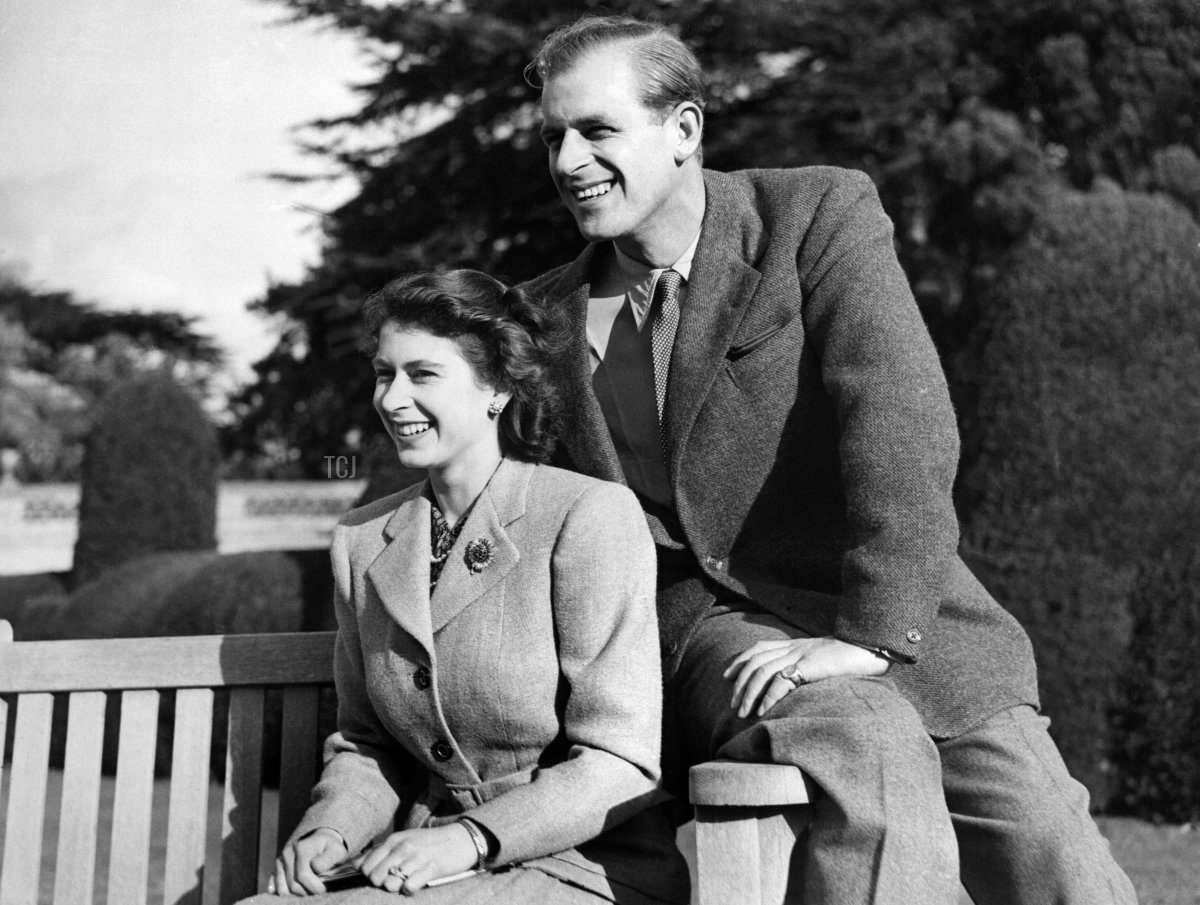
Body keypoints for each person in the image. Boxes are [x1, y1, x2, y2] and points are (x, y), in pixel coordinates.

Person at [520, 15, 1137, 905]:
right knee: (864, 738)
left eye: (597, 130)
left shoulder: (813, 215)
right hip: (711, 637)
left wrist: (869, 635)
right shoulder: (540, 317)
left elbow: (898, 421)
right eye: (553, 136)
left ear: (685, 128)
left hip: (903, 622)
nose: (568, 160)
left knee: (1054, 849)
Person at [243, 270, 690, 904]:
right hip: (415, 867)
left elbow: (620, 762)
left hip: (585, 869)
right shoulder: (362, 540)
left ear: (498, 389)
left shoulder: (586, 516)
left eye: (422, 375)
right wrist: (331, 832)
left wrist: (474, 839)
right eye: (383, 374)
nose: (393, 400)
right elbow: (370, 745)